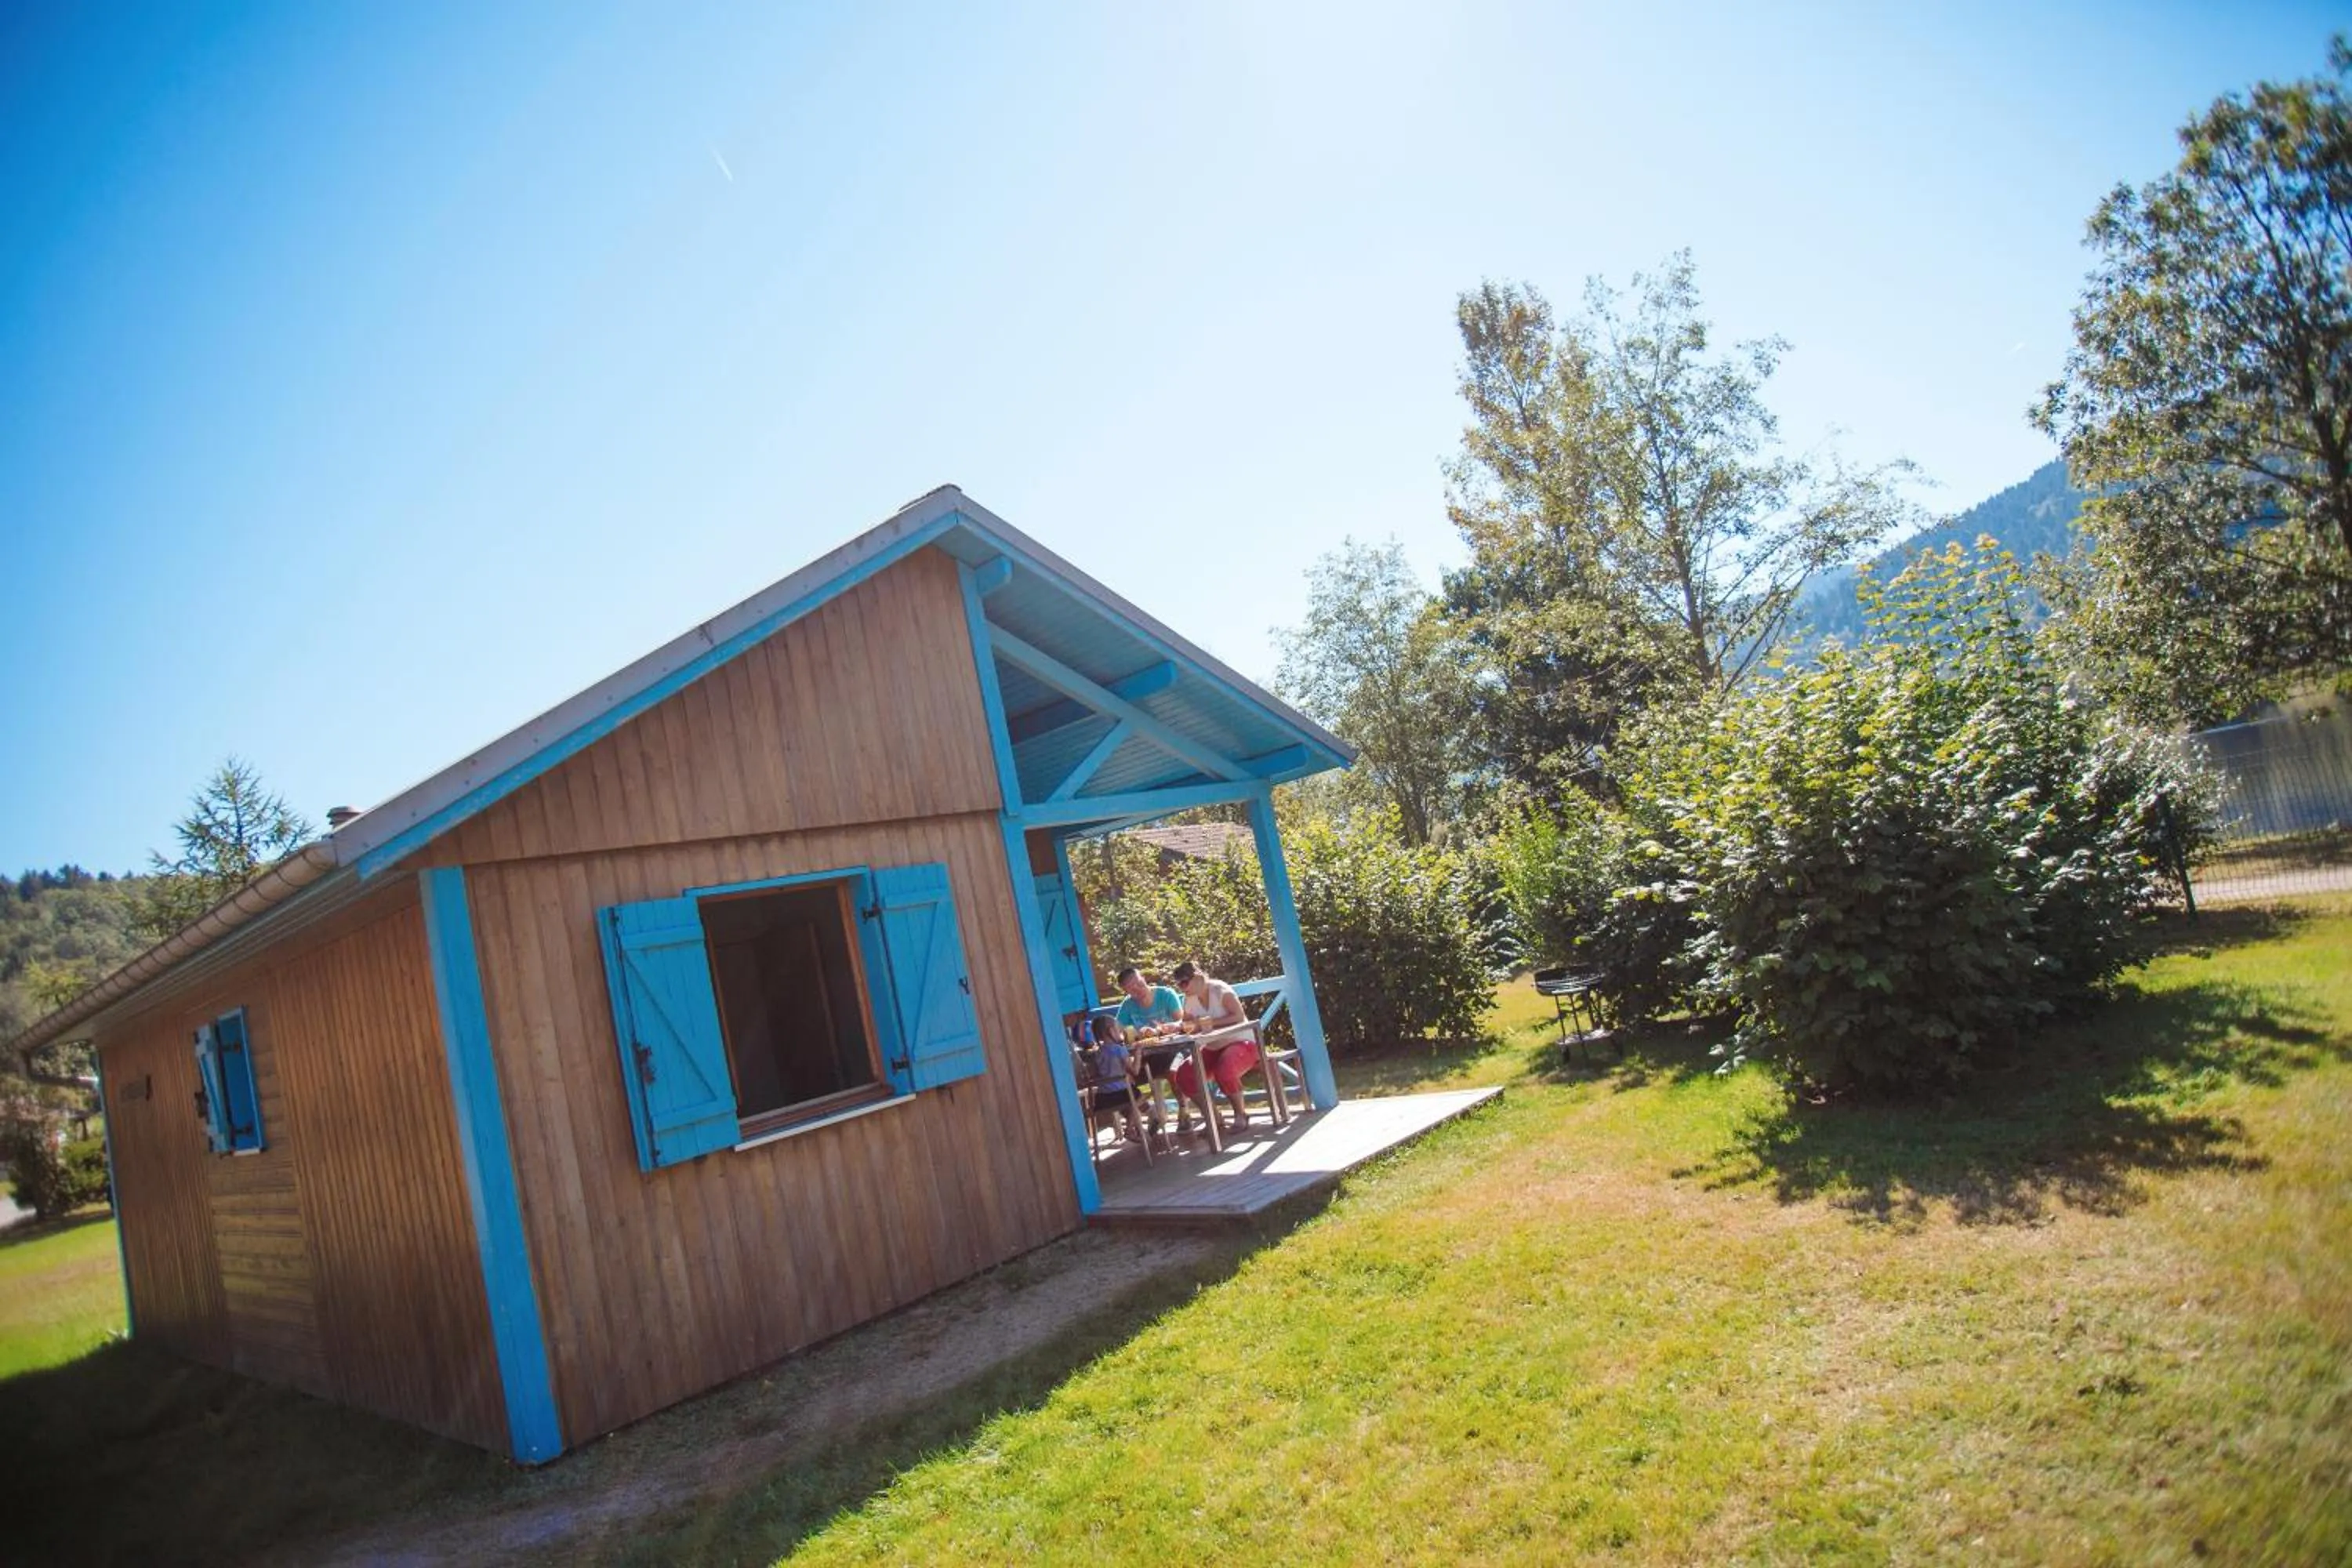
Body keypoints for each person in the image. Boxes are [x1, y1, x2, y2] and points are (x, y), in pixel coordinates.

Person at [1166, 959, 1261, 1140]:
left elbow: (1239, 1017)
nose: (1182, 988)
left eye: (1184, 983)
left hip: (1241, 1042)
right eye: (1179, 985)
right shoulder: (1190, 998)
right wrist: (1173, 1027)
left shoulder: (1220, 990)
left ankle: (1241, 1114)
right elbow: (1188, 1023)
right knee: (1184, 1075)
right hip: (1213, 1046)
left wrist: (1209, 1022)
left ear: (1198, 977)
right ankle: (1214, 1117)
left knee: (1225, 1069)